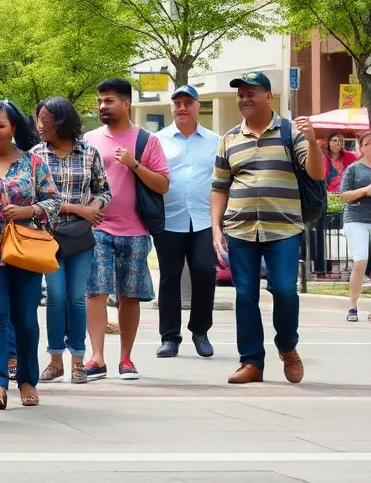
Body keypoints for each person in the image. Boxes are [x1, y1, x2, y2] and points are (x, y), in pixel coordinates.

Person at [213, 72, 324, 385]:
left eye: (251, 94)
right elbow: (219, 187)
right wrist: (215, 228)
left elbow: (316, 173)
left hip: (284, 228)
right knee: (246, 296)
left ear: (268, 97)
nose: (244, 99)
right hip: (240, 230)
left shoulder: (291, 133)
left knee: (286, 291)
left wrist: (313, 142)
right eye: (240, 95)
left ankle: (287, 347)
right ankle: (251, 362)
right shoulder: (229, 139)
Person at [0, 100, 60, 410]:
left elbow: (53, 202)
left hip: (25, 251)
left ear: (14, 128)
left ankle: (26, 380)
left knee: (25, 319)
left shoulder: (34, 163)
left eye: (0, 126)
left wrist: (28, 210)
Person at [82, 78, 170, 382]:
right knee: (96, 291)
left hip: (135, 230)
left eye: (109, 101)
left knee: (129, 296)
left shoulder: (147, 140)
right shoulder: (89, 139)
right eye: (100, 101)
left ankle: (126, 358)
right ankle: (96, 357)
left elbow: (163, 184)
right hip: (97, 228)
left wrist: (134, 164)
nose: (103, 106)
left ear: (126, 104)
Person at [32, 96, 111, 384]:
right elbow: (36, 199)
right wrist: (76, 207)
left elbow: (104, 191)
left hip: (80, 238)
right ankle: (55, 361)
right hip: (48, 237)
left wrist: (94, 208)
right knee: (55, 296)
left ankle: (78, 360)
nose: (40, 125)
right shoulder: (35, 155)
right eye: (38, 118)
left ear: (61, 121)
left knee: (77, 298)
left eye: (46, 119)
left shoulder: (89, 154)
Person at [152, 86, 220, 359]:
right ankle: (170, 337)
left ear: (197, 106)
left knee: (205, 271)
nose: (182, 108)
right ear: (171, 107)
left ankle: (200, 330)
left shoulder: (215, 140)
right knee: (169, 276)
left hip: (204, 219)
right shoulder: (157, 140)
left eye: (187, 103)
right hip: (169, 218)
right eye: (177, 103)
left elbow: (223, 180)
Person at [338, 131, 371, 322]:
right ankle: (353, 306)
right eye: (367, 143)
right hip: (356, 219)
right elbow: (343, 196)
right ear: (361, 147)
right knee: (361, 261)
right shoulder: (354, 169)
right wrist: (365, 191)